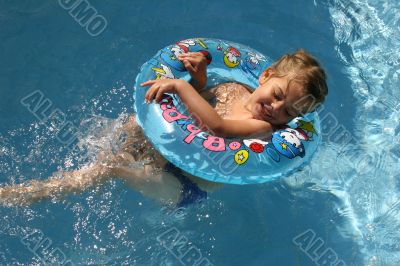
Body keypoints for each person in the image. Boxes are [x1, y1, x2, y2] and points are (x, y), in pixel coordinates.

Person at [0, 49, 328, 207]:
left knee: (112, 168)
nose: (276, 110)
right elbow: (200, 104)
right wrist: (197, 78)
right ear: (266, 76)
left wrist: (179, 87)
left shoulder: (262, 127)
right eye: (278, 97)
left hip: (181, 184)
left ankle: (32, 193)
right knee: (132, 124)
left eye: (288, 112)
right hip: (173, 150)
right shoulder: (233, 86)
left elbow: (218, 127)